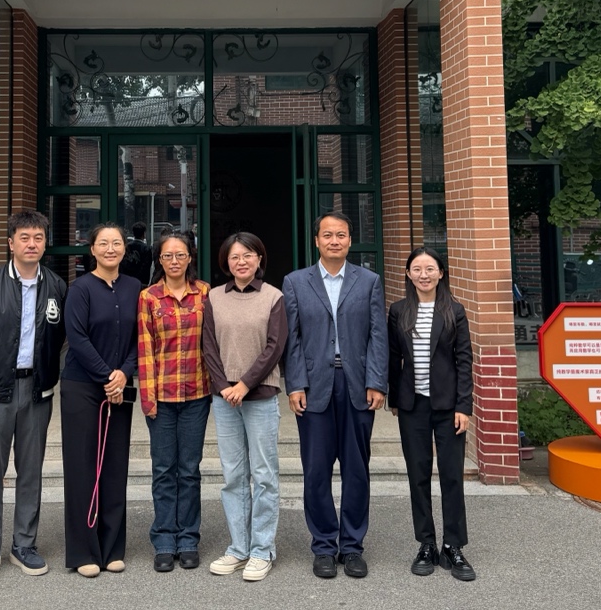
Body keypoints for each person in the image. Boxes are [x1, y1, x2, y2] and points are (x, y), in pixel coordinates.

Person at [0, 210, 67, 584]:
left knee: (30, 471)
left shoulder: (57, 286)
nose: (31, 244)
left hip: (37, 391)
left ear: (45, 243)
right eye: (24, 237)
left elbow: (59, 337)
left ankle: (24, 545)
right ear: (10, 243)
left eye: (38, 237)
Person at [282, 211, 388, 580]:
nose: (334, 241)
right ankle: (324, 546)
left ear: (349, 240)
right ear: (317, 241)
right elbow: (292, 339)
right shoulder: (296, 282)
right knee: (316, 470)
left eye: (341, 235)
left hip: (357, 384)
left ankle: (353, 546)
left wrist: (377, 382)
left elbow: (378, 335)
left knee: (357, 470)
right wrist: (295, 384)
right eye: (327, 235)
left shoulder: (369, 281)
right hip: (314, 387)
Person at [388, 247, 476, 581]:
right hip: (413, 406)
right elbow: (393, 358)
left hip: (448, 406)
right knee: (418, 475)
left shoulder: (455, 310)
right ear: (408, 274)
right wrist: (395, 399)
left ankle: (453, 545)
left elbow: (464, 360)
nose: (423, 275)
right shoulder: (399, 311)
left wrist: (464, 406)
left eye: (429, 269)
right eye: (416, 269)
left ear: (441, 273)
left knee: (452, 476)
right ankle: (426, 543)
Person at [203, 231, 286, 583]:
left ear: (259, 259)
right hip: (224, 399)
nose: (242, 262)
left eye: (248, 255)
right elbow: (208, 345)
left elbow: (275, 347)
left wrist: (245, 384)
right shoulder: (213, 297)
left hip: (260, 395)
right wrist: (224, 386)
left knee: (264, 476)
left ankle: (262, 550)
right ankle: (239, 547)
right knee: (234, 476)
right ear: (226, 261)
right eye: (235, 256)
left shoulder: (273, 297)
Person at [61, 222, 140, 577]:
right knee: (82, 468)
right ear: (92, 249)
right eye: (103, 243)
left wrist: (124, 373)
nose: (111, 249)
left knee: (114, 467)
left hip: (120, 386)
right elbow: (77, 338)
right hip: (83, 386)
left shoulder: (135, 287)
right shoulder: (80, 289)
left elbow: (140, 338)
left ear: (124, 248)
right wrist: (109, 377)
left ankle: (111, 549)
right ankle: (83, 552)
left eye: (117, 243)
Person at [138, 231, 211, 573]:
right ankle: (165, 540)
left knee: (190, 470)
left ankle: (189, 538)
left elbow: (212, 344)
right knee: (164, 469)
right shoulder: (149, 297)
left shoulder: (205, 293)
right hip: (162, 398)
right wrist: (148, 397)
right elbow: (145, 350)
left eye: (180, 255)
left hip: (197, 394)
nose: (174, 261)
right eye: (168, 256)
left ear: (190, 257)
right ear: (160, 260)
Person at [120, 221, 153, 286]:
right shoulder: (146, 249)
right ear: (144, 234)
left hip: (127, 280)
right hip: (141, 282)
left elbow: (123, 264)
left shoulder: (127, 247)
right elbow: (146, 267)